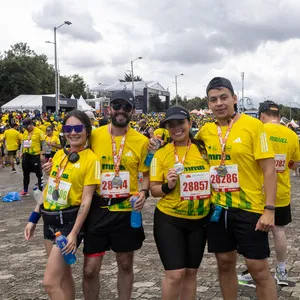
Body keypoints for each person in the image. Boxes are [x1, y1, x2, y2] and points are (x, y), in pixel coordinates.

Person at [195, 77, 277, 299]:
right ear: (208, 104)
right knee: (224, 263)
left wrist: (269, 209)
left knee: (257, 268)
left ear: (234, 98)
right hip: (218, 209)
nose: (219, 103)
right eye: (213, 99)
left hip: (250, 208)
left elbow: (269, 170)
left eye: (224, 97)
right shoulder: (205, 132)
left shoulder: (254, 126)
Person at [24, 110, 100, 300]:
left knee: (50, 282)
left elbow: (86, 199)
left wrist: (74, 233)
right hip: (49, 220)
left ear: (87, 131)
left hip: (68, 222)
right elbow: (50, 188)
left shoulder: (92, 160)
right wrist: (34, 217)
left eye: (78, 128)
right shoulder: (59, 155)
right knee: (63, 276)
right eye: (68, 128)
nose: (72, 132)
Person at [82, 90, 150, 300]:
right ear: (109, 108)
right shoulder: (94, 135)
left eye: (126, 107)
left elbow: (146, 174)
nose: (121, 111)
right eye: (117, 106)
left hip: (126, 209)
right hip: (98, 207)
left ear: (133, 111)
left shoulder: (141, 141)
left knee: (125, 263)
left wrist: (144, 192)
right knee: (90, 270)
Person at [150, 106, 210, 299]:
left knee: (191, 274)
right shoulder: (161, 154)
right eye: (171, 125)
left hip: (199, 220)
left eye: (180, 123)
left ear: (190, 124)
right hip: (169, 220)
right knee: (175, 275)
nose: (176, 128)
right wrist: (168, 185)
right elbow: (154, 190)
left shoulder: (204, 149)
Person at [238, 101, 300, 286]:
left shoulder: (259, 130)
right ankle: (281, 270)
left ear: (262, 115)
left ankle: (254, 271)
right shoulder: (291, 134)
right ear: (278, 115)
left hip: (257, 192)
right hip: (281, 192)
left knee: (255, 232)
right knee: (279, 230)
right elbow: (295, 165)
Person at [20, 118, 45, 195]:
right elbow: (23, 142)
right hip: (26, 155)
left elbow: (43, 143)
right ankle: (25, 190)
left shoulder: (39, 132)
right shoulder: (25, 132)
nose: (25, 129)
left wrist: (42, 154)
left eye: (26, 127)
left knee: (39, 173)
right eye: (24, 127)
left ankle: (41, 189)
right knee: (25, 173)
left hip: (35, 156)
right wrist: (21, 152)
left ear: (30, 125)